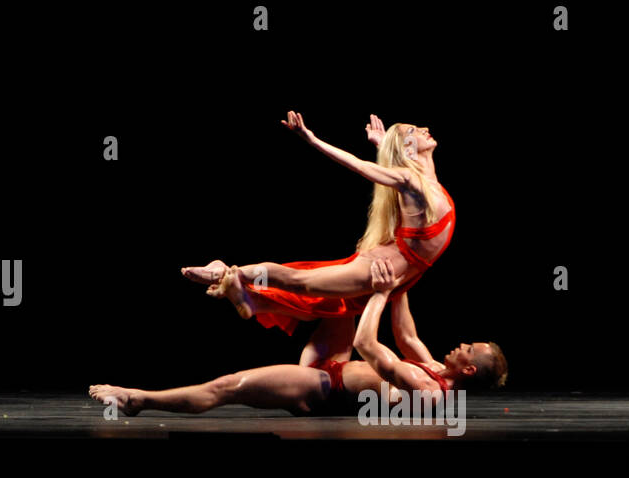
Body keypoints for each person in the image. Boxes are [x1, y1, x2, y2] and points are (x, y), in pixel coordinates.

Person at [90, 260, 504, 418]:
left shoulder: (428, 390)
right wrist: (403, 273)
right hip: (335, 363)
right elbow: (406, 333)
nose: (460, 343)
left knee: (227, 386)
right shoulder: (435, 369)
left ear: (467, 368)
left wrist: (382, 292)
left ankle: (137, 399)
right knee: (344, 292)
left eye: (467, 349)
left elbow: (369, 345)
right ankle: (247, 294)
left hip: (321, 387)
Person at [180, 113, 455, 335]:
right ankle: (225, 273)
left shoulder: (423, 181)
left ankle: (244, 290)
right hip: (375, 270)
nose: (424, 128)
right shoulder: (411, 181)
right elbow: (360, 166)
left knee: (312, 300)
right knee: (299, 282)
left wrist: (386, 146)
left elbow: (400, 160)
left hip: (390, 270)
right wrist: (312, 140)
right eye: (415, 130)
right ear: (407, 147)